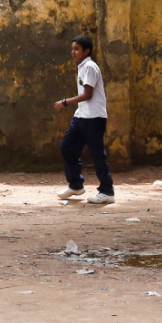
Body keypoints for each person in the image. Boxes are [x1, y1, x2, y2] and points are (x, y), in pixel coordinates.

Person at [55, 34, 115, 205]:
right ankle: (75, 185)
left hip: (94, 117)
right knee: (67, 147)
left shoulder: (89, 66)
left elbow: (87, 95)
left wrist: (65, 102)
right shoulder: (82, 66)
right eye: (72, 48)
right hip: (81, 116)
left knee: (97, 155)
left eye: (76, 49)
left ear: (86, 51)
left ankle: (107, 191)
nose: (72, 52)